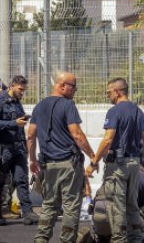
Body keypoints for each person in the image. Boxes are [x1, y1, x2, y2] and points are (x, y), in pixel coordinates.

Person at [27, 71, 96, 243]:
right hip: (69, 165)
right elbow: (77, 134)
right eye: (73, 86)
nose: (75, 90)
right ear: (62, 85)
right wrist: (93, 155)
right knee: (71, 206)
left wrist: (32, 160)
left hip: (48, 166)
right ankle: (67, 240)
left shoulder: (39, 106)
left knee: (49, 205)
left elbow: (30, 135)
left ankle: (41, 239)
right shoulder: (67, 105)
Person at [85, 78, 144, 243]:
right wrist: (140, 159)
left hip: (117, 166)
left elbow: (107, 140)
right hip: (135, 164)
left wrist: (93, 163)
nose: (108, 96)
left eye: (109, 92)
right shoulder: (138, 111)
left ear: (118, 91)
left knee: (116, 208)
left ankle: (119, 240)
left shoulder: (114, 111)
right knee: (132, 205)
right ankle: (136, 238)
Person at [80, 166, 144, 243]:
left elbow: (91, 209)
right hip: (119, 217)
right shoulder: (143, 178)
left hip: (100, 220)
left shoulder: (111, 177)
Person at [0, 75, 37, 226]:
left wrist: (24, 146)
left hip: (18, 148)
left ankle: (28, 213)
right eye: (20, 89)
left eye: (24, 90)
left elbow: (20, 127)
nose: (22, 93)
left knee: (22, 180)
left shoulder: (17, 103)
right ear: (12, 86)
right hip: (3, 149)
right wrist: (14, 123)